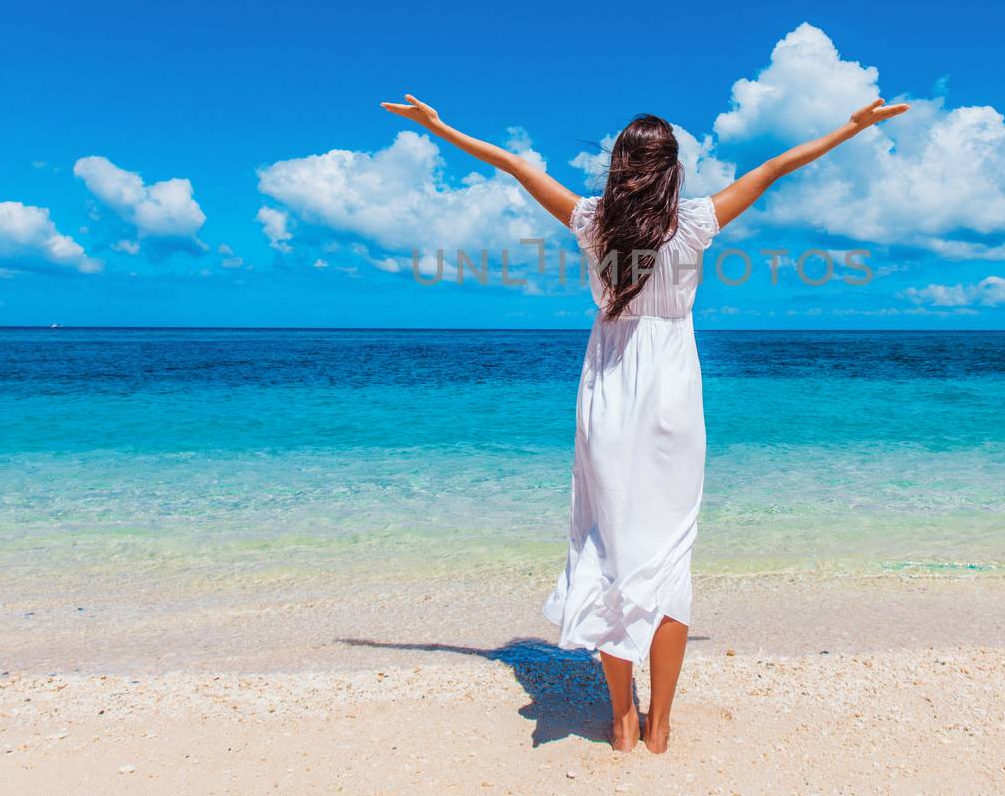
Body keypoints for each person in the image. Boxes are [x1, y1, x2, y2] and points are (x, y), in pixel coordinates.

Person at [380, 93, 909, 752]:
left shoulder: (591, 221)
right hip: (674, 402)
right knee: (668, 559)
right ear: (672, 169)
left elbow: (515, 165)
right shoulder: (694, 223)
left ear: (620, 164)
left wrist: (438, 127)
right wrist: (849, 126)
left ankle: (622, 722)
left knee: (611, 553)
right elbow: (774, 168)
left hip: (608, 397)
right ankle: (660, 726)